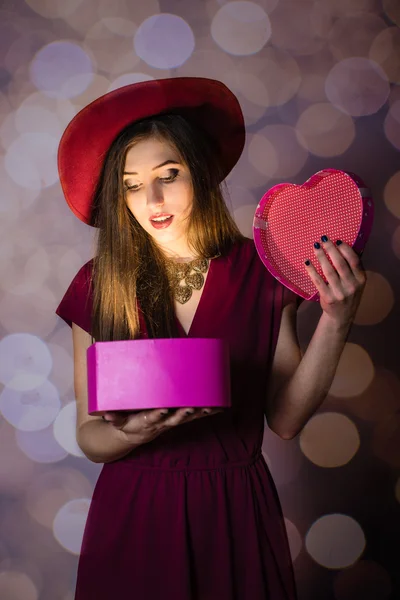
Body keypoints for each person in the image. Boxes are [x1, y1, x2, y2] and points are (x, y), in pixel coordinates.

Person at [55, 77, 366, 600]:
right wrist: (133, 434)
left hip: (233, 508)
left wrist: (337, 320)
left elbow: (286, 420)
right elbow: (90, 434)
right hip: (135, 511)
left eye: (168, 175)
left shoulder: (264, 270)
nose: (151, 198)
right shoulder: (96, 282)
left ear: (198, 171)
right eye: (132, 184)